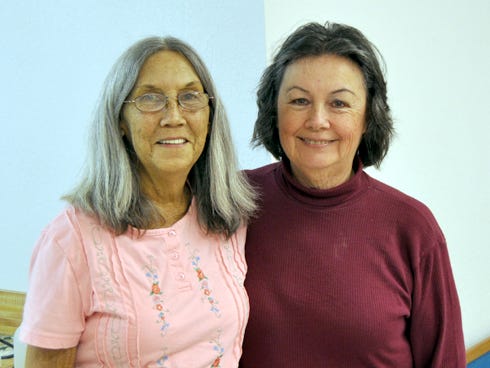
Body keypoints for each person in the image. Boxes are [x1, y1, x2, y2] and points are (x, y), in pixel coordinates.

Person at [19, 35, 256, 367]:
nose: (174, 116)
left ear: (209, 114)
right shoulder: (71, 240)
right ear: (120, 122)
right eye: (150, 98)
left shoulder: (227, 217)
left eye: (190, 97)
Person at [240, 21, 465, 367]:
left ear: (367, 118)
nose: (317, 120)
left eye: (339, 104)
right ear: (274, 110)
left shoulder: (413, 229)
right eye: (299, 100)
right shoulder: (233, 203)